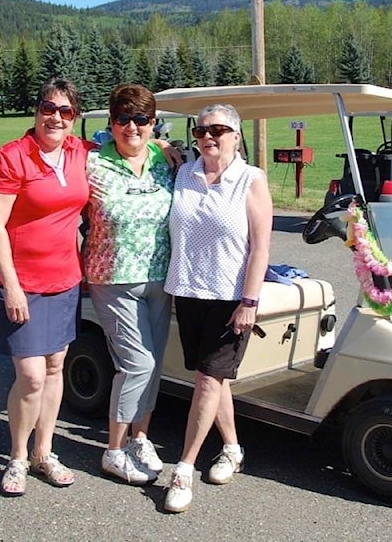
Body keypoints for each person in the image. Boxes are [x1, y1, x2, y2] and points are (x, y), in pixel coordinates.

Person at [0, 77, 96, 496]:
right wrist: (11, 287)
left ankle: (43, 452)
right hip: (21, 281)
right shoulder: (12, 157)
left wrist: (166, 149)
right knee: (30, 375)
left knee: (54, 368)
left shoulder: (80, 153)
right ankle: (16, 456)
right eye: (49, 108)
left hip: (64, 279)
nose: (56, 117)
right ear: (37, 111)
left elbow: (129, 151)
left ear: (74, 118)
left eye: (65, 112)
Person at [162, 103, 273, 513]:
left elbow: (261, 246)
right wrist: (159, 141)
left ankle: (183, 469)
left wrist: (250, 300)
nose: (208, 137)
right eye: (201, 131)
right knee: (213, 378)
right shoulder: (184, 173)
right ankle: (231, 448)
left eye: (218, 130)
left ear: (237, 135)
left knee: (207, 381)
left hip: (230, 299)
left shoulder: (251, 179)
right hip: (189, 292)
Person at [83, 83, 175, 485]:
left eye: (141, 120)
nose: (132, 128)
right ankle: (114, 451)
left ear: (153, 124)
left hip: (160, 277)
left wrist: (167, 148)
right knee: (137, 364)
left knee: (153, 365)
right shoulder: (91, 164)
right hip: (113, 277)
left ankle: (141, 438)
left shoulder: (165, 161)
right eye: (123, 120)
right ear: (111, 123)